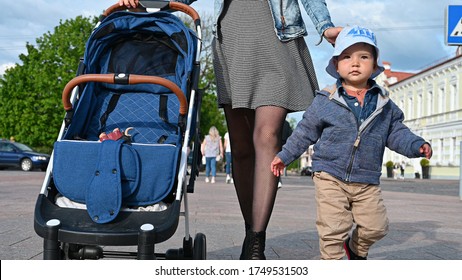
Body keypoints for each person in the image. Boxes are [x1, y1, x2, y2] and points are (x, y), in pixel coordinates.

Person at [119, 0, 342, 260]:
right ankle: (251, 232)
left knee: (266, 135)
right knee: (241, 148)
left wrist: (325, 26)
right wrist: (146, 4)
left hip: (278, 39)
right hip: (233, 38)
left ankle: (257, 244)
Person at [271, 25, 433, 260]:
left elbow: (397, 132)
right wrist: (285, 156)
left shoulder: (384, 105)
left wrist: (416, 145)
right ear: (336, 65)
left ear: (375, 65)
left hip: (366, 179)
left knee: (376, 227)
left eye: (363, 57)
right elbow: (304, 132)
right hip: (329, 175)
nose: (355, 63)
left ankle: (356, 248)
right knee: (333, 229)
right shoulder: (325, 101)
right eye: (347, 57)